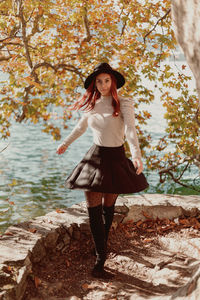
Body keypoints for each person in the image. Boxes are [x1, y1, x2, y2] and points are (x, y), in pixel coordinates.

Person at [56, 62, 149, 279]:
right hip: (95, 158)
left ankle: (100, 248)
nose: (103, 84)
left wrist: (136, 155)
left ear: (113, 82)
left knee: (109, 209)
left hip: (116, 158)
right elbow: (80, 128)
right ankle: (100, 261)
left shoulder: (124, 103)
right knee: (93, 209)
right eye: (99, 81)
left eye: (107, 80)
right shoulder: (93, 104)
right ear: (94, 84)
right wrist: (65, 143)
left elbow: (130, 130)